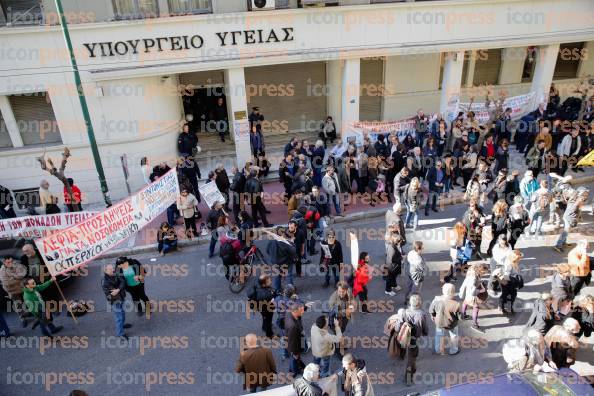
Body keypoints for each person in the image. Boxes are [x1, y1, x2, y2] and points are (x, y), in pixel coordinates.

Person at [392, 294, 428, 385]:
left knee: (402, 346)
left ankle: (401, 355)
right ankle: (408, 378)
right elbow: (424, 327)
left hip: (403, 336)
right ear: (419, 304)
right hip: (413, 339)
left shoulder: (404, 312)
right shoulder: (421, 314)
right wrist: (425, 333)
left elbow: (397, 327)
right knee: (411, 359)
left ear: (410, 303)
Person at [554, 187, 589, 252]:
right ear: (580, 193)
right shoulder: (576, 199)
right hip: (568, 217)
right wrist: (579, 203)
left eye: (586, 194)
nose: (586, 196)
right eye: (585, 194)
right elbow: (573, 209)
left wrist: (579, 216)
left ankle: (563, 242)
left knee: (567, 231)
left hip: (570, 217)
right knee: (565, 231)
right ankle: (558, 245)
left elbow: (577, 209)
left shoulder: (575, 198)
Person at [101, 263, 131, 339]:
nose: (113, 270)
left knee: (123, 313)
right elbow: (109, 295)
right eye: (111, 269)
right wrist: (119, 289)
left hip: (121, 297)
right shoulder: (104, 281)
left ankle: (122, 325)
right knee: (119, 317)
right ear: (105, 270)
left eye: (113, 268)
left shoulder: (115, 274)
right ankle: (120, 334)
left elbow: (123, 281)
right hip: (115, 301)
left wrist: (118, 289)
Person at [429, 283, 460, 356]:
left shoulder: (436, 299)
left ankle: (438, 349)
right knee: (454, 335)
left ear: (443, 291)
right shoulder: (456, 303)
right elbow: (459, 316)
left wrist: (433, 316)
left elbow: (431, 310)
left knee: (439, 335)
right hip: (451, 323)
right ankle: (453, 350)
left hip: (439, 321)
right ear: (453, 293)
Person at [0, 256, 30, 327]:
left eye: (11, 261)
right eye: (8, 262)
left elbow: (23, 274)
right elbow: (6, 282)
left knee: (28, 301)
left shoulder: (17, 265)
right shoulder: (2, 271)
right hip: (12, 290)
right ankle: (23, 319)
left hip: (21, 288)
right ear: (4, 262)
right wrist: (17, 278)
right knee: (18, 305)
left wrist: (12, 277)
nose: (10, 263)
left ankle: (30, 313)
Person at [459, 263, 487, 334]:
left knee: (465, 301)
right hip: (472, 294)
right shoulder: (474, 278)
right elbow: (473, 292)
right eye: (483, 272)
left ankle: (463, 315)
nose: (485, 273)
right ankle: (475, 324)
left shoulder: (473, 268)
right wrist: (481, 290)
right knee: (476, 308)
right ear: (480, 270)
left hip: (467, 289)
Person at [496, 249, 523, 314]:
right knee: (505, 294)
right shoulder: (509, 263)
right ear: (514, 257)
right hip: (507, 281)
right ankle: (501, 307)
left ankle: (510, 308)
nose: (520, 259)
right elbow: (506, 274)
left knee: (513, 294)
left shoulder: (514, 261)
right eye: (518, 258)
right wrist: (513, 280)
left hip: (512, 281)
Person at [285, 301, 306, 375]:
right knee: (294, 358)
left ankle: (293, 369)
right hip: (294, 345)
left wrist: (304, 307)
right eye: (302, 310)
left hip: (294, 339)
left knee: (294, 358)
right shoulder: (292, 326)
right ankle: (294, 371)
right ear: (296, 311)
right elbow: (293, 342)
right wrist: (295, 353)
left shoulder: (289, 313)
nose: (303, 312)